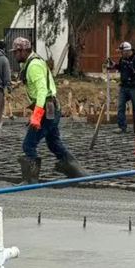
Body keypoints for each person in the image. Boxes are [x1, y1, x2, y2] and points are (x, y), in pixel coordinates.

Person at [14, 37, 84, 182]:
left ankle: (30, 180)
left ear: (24, 51)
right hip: (50, 108)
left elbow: (41, 90)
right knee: (54, 143)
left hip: (46, 108)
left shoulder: (33, 66)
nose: (14, 54)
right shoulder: (30, 64)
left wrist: (37, 115)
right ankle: (78, 174)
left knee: (29, 144)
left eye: (16, 51)